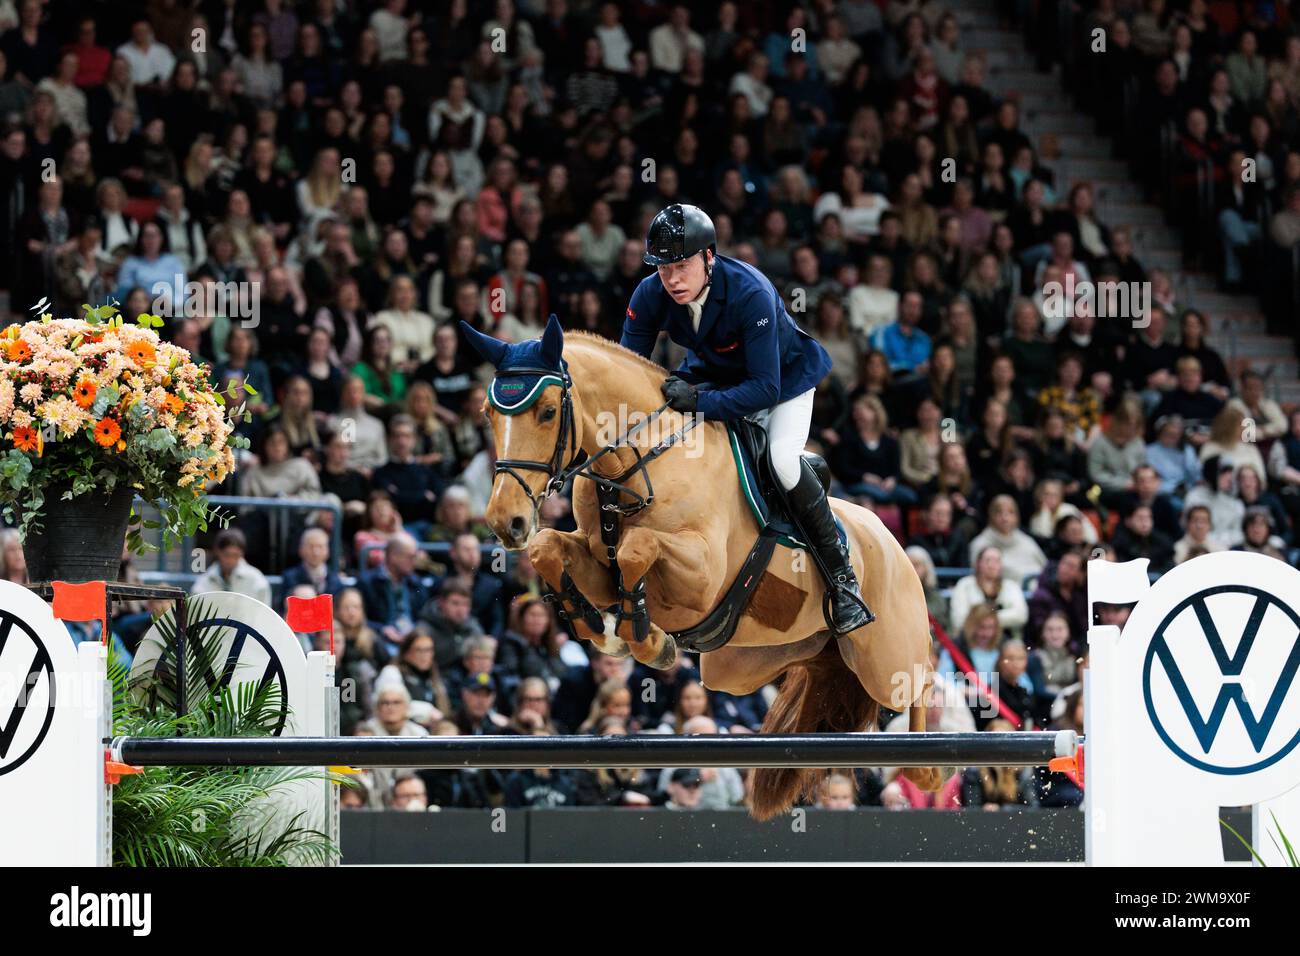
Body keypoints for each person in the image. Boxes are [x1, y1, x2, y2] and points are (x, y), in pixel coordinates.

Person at [619, 203, 871, 634]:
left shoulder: (749, 292)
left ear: (709, 257)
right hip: (714, 377)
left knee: (781, 462)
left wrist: (697, 401)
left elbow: (763, 388)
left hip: (782, 384)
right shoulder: (651, 292)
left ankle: (842, 582)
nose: (672, 279)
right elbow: (628, 368)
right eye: (664, 269)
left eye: (682, 266)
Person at [190, 528, 272, 605]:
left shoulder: (257, 581)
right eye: (226, 555)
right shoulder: (204, 582)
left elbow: (264, 615)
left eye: (235, 555)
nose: (230, 560)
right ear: (218, 552)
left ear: (242, 554)